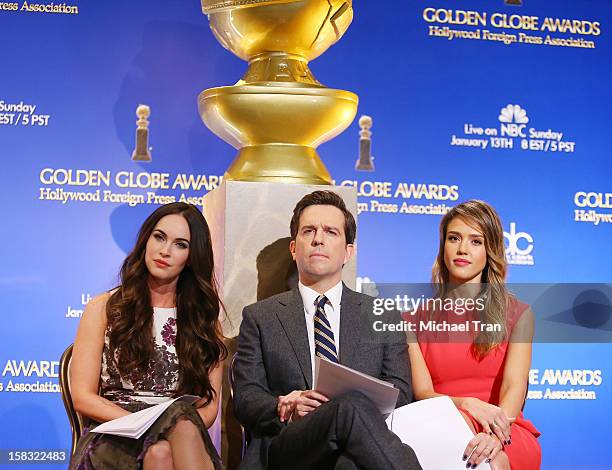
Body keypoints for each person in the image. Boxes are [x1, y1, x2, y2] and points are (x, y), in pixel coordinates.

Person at [233, 190, 422, 470]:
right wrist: (286, 405)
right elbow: (246, 399)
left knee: (348, 457)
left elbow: (402, 392)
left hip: (360, 444)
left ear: (348, 252)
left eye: (330, 232)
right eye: (309, 230)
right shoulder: (260, 316)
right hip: (290, 444)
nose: (318, 238)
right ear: (294, 248)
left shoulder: (381, 313)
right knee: (349, 406)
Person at [69, 202, 226, 470]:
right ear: (146, 240)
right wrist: (145, 424)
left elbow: (209, 409)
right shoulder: (104, 308)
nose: (165, 251)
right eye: (160, 237)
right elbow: (82, 397)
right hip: (115, 432)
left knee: (165, 448)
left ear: (191, 257)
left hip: (178, 433)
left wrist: (167, 425)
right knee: (171, 436)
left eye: (181, 244)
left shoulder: (204, 321)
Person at [407, 200, 541, 470]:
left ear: (490, 250)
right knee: (453, 442)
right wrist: (468, 404)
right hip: (442, 424)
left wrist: (496, 436)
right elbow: (422, 392)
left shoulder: (519, 314)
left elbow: (514, 386)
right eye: (454, 238)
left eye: (476, 241)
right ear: (443, 245)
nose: (462, 249)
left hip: (506, 427)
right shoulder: (412, 320)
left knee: (493, 460)